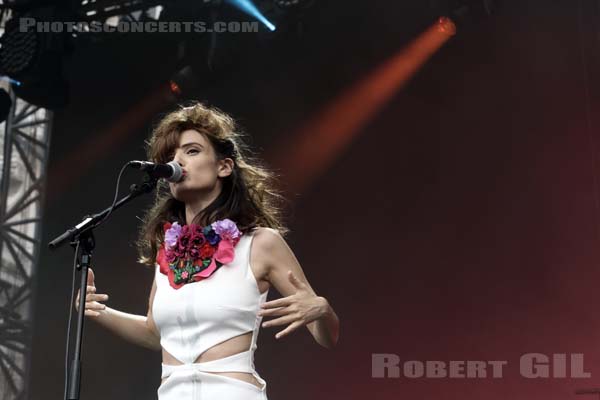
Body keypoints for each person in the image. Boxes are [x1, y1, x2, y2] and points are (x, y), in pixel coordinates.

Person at [75, 102, 340, 399]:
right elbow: (156, 332)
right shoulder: (168, 249)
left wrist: (321, 309)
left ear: (224, 166)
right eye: (170, 156)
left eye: (191, 151)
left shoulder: (260, 243)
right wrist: (98, 312)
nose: (177, 161)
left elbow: (326, 336)